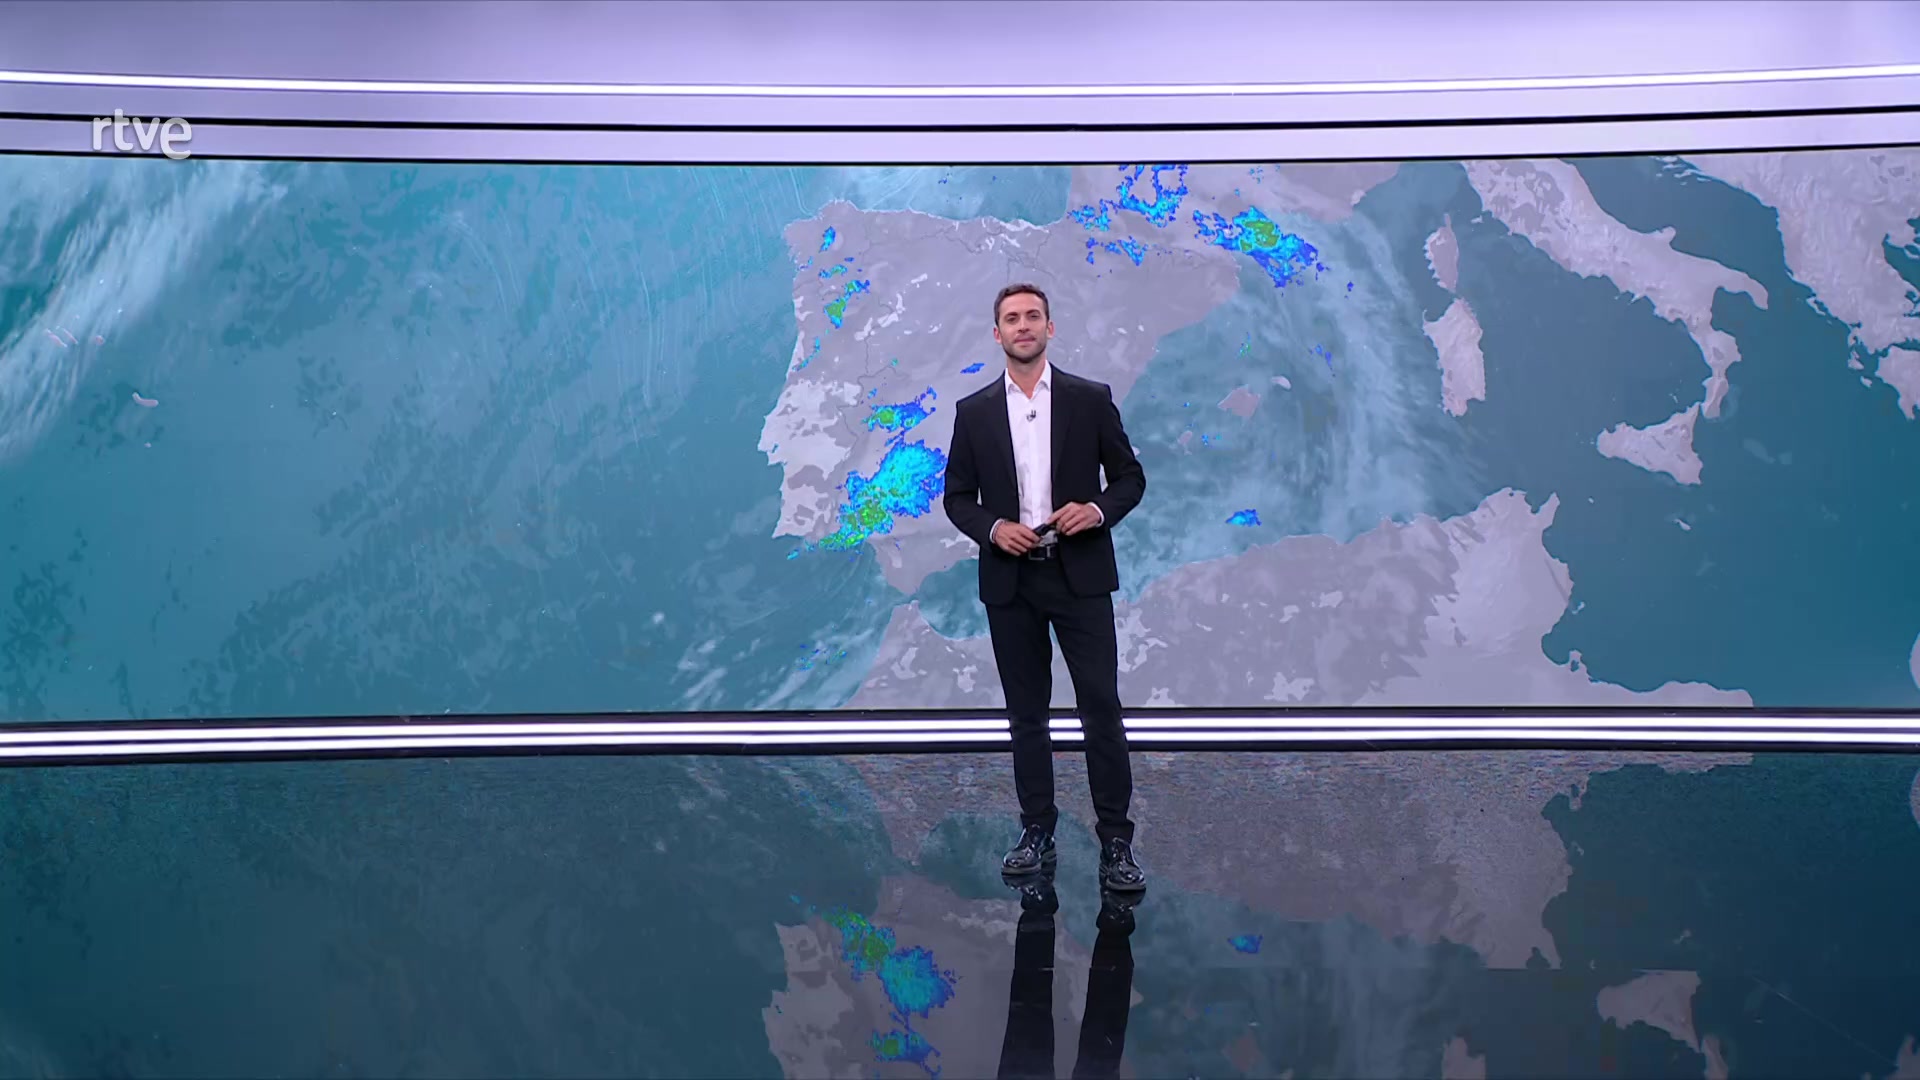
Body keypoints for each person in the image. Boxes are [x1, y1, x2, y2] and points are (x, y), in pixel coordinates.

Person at [941, 282, 1148, 892]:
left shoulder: (1090, 399)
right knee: (1026, 715)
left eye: (1033, 316)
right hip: (1012, 582)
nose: (1023, 325)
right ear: (997, 333)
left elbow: (1130, 478)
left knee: (1100, 709)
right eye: (1012, 318)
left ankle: (1116, 842)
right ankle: (1036, 831)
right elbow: (957, 497)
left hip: (1079, 576)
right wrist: (993, 528)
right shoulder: (974, 412)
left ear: (1050, 328)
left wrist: (1098, 510)